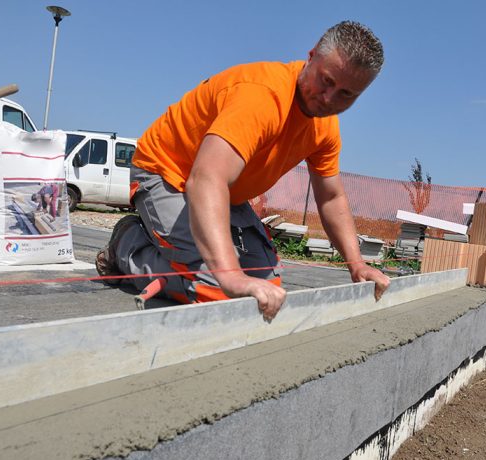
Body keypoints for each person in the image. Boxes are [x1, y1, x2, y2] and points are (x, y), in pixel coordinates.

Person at [96, 20, 390, 321]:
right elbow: (206, 179)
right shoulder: (262, 96)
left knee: (264, 291)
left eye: (346, 94)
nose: (329, 99)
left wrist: (356, 263)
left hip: (221, 190)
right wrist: (230, 274)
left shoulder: (325, 127)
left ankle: (196, 267)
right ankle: (126, 244)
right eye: (326, 81)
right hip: (168, 173)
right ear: (312, 55)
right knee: (221, 292)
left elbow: (330, 198)